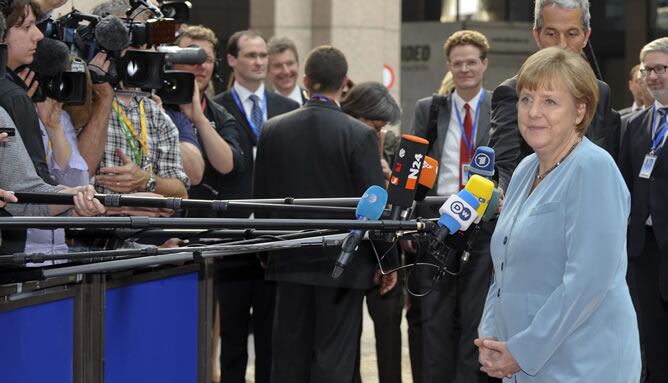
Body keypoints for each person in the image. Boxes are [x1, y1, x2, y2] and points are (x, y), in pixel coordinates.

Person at [476, 47, 640, 382]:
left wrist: (522, 350)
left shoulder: (593, 169)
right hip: (524, 362)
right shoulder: (524, 170)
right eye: (525, 99)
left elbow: (586, 282)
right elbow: (503, 265)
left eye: (550, 101)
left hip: (584, 364)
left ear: (580, 111)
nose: (533, 112)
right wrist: (491, 336)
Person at [254, 45, 389, 383]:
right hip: (342, 266)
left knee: (288, 360)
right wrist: (386, 260)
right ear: (344, 83)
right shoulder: (360, 135)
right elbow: (375, 206)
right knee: (333, 362)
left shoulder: (272, 129)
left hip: (287, 260)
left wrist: (266, 252)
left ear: (306, 80)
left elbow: (260, 202)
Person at [212, 29, 298, 383]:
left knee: (271, 337)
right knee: (232, 336)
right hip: (233, 236)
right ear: (232, 60)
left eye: (263, 55)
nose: (260, 62)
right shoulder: (217, 108)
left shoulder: (289, 110)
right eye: (251, 56)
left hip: (275, 237)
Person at [409, 30, 495, 383]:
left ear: (484, 64)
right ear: (448, 66)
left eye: (471, 62)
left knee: (475, 319)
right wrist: (409, 219)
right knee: (434, 316)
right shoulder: (430, 109)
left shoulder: (501, 107)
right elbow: (414, 169)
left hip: (483, 222)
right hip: (437, 221)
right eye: (457, 63)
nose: (464, 69)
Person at [488, 0, 621, 193]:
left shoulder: (600, 92)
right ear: (537, 35)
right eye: (551, 34)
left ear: (586, 37)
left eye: (572, 34)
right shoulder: (512, 92)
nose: (561, 44)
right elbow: (503, 165)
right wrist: (500, 193)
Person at [340, 81, 402, 383]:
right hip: (348, 253)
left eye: (382, 128)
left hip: (385, 253)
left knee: (390, 335)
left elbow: (400, 206)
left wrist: (389, 181)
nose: (376, 134)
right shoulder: (341, 139)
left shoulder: (392, 145)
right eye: (372, 126)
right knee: (346, 341)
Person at [619, 37, 668, 383]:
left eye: (661, 68)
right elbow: (623, 187)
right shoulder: (633, 126)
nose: (653, 77)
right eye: (647, 69)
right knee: (651, 341)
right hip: (642, 251)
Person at [172, 24, 245, 216]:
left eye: (208, 59)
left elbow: (228, 166)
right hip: (161, 223)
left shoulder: (220, 114)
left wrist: (199, 119)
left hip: (204, 224)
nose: (201, 65)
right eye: (191, 57)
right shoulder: (153, 105)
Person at [267, 36, 308, 105]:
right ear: (268, 70)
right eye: (278, 66)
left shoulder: (314, 102)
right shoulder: (262, 107)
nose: (286, 71)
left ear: (297, 64)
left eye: (290, 64)